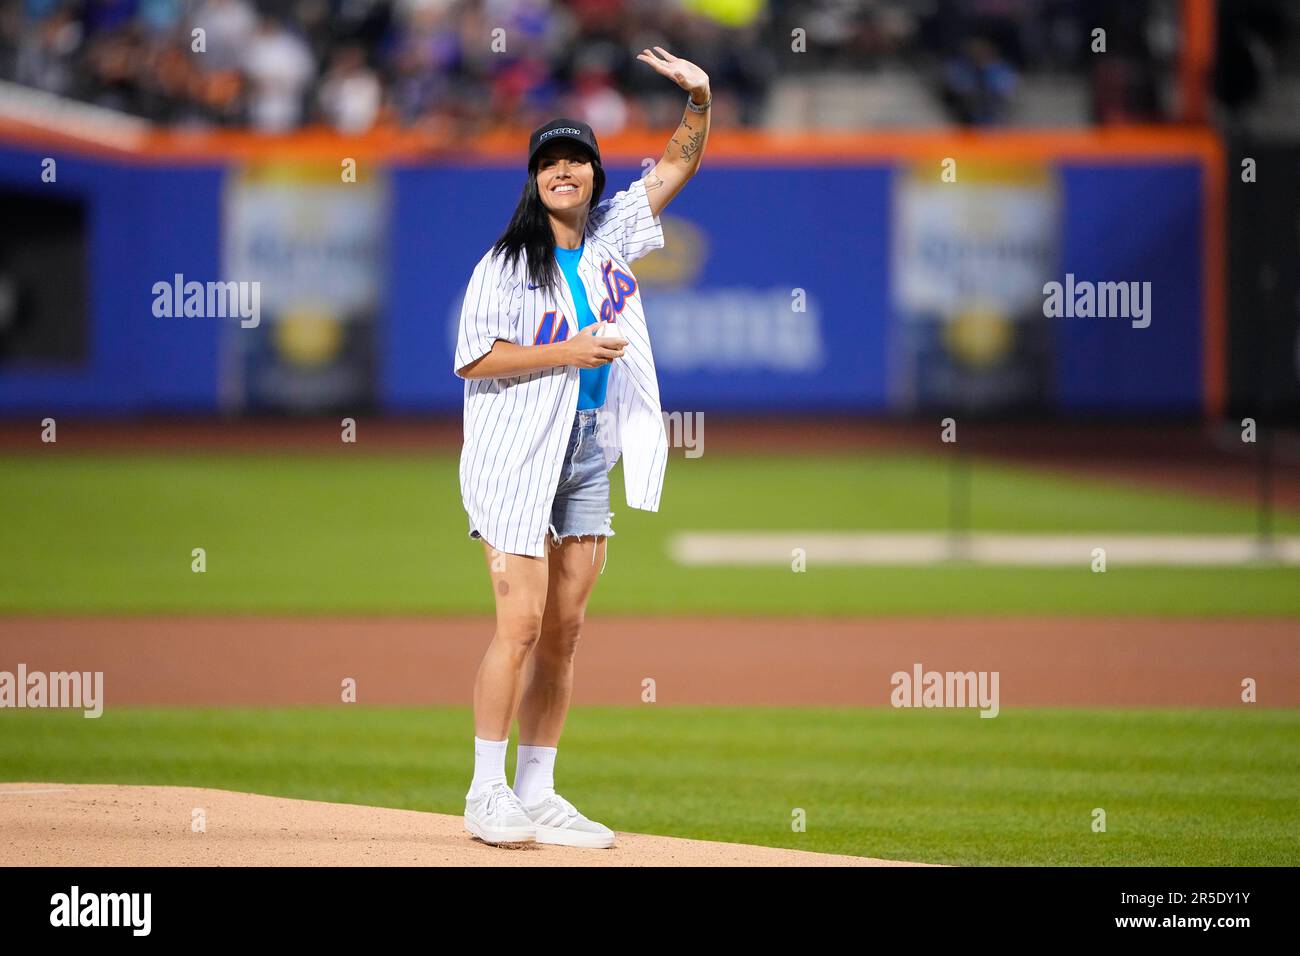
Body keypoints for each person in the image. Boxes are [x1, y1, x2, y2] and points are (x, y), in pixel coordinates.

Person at [453, 47, 711, 847]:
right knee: (520, 625)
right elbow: (475, 357)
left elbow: (673, 167)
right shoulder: (503, 262)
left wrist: (699, 99)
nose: (564, 171)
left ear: (596, 175)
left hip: (588, 449)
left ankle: (538, 790)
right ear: (534, 178)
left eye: (577, 161)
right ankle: (484, 791)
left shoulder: (608, 238)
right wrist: (567, 350)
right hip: (515, 454)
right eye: (550, 162)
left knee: (566, 631)